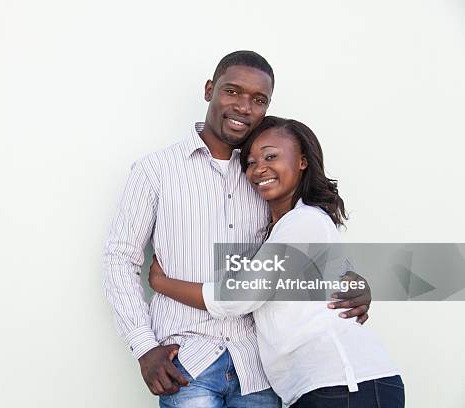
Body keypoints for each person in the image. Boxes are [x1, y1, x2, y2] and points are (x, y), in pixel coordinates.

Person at [103, 51, 371, 408]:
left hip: (258, 368)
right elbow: (120, 259)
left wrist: (353, 281)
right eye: (233, 91)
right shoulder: (157, 170)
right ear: (210, 90)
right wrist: (144, 347)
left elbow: (305, 248)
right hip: (187, 360)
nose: (244, 107)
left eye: (258, 100)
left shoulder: (266, 175)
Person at [148, 116, 405, 407]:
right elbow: (339, 272)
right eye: (251, 162)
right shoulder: (286, 229)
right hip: (320, 388)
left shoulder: (304, 221)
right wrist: (357, 280)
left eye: (271, 156)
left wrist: (161, 282)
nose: (259, 169)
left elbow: (237, 297)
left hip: (344, 383)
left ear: (303, 162)